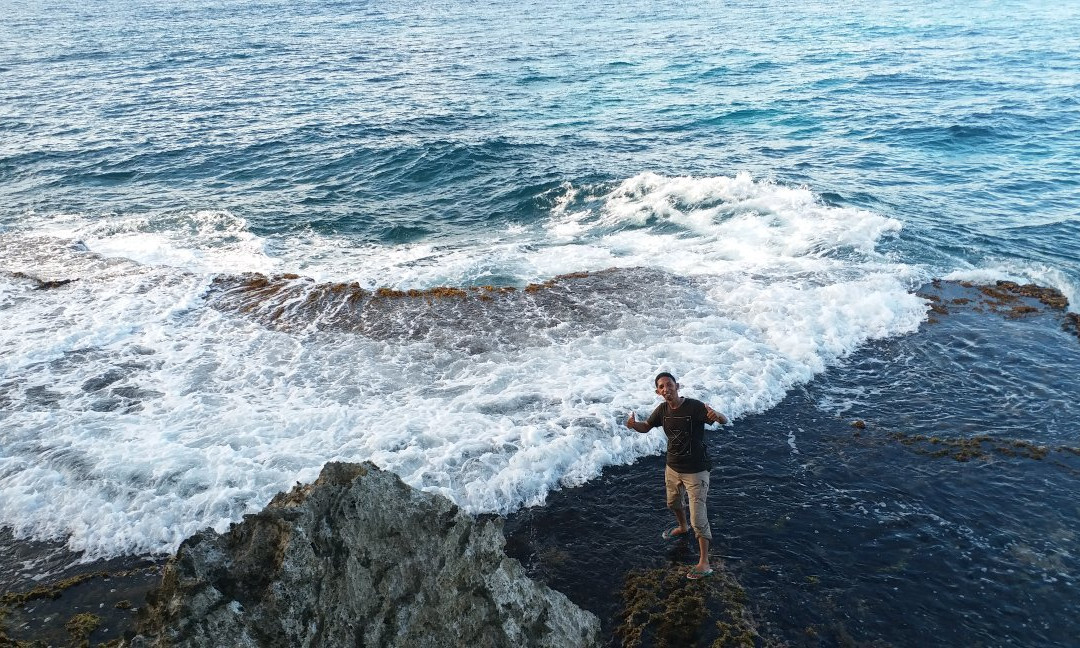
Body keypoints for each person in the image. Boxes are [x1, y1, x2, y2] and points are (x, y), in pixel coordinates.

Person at [626, 371, 728, 580]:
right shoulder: (662, 409)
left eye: (669, 385)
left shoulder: (694, 406)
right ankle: (682, 527)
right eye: (661, 387)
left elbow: (723, 420)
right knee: (672, 503)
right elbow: (646, 426)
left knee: (698, 518)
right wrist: (633, 425)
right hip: (672, 468)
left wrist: (716, 415)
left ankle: (704, 562)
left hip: (696, 471)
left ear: (677, 386)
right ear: (658, 392)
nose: (666, 389)